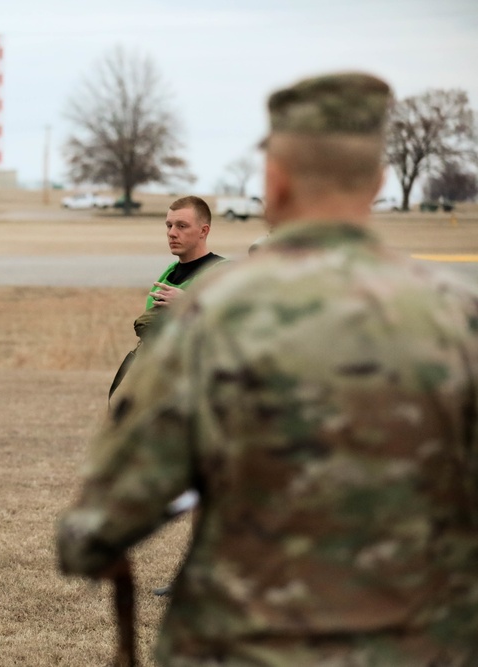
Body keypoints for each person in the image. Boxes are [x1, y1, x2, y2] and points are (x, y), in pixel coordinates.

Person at [57, 71, 478, 665]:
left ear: (274, 183)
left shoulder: (212, 314)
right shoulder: (458, 317)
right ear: (380, 182)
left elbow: (98, 528)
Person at [107, 196, 226, 400]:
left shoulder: (222, 273)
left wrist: (191, 304)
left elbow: (237, 331)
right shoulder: (168, 273)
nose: (172, 233)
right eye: (169, 225)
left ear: (203, 231)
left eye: (182, 226)